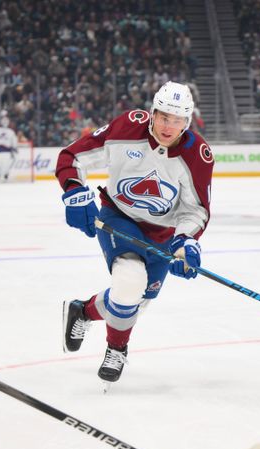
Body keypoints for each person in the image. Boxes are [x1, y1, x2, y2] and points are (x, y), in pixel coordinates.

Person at [56, 81, 214, 386]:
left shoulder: (198, 155)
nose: (169, 127)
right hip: (120, 217)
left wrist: (185, 243)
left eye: (177, 120)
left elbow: (196, 210)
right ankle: (116, 350)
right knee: (129, 281)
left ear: (188, 122)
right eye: (164, 117)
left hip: (162, 234)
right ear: (153, 113)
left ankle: (83, 311)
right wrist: (75, 191)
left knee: (134, 302)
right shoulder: (128, 128)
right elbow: (72, 157)